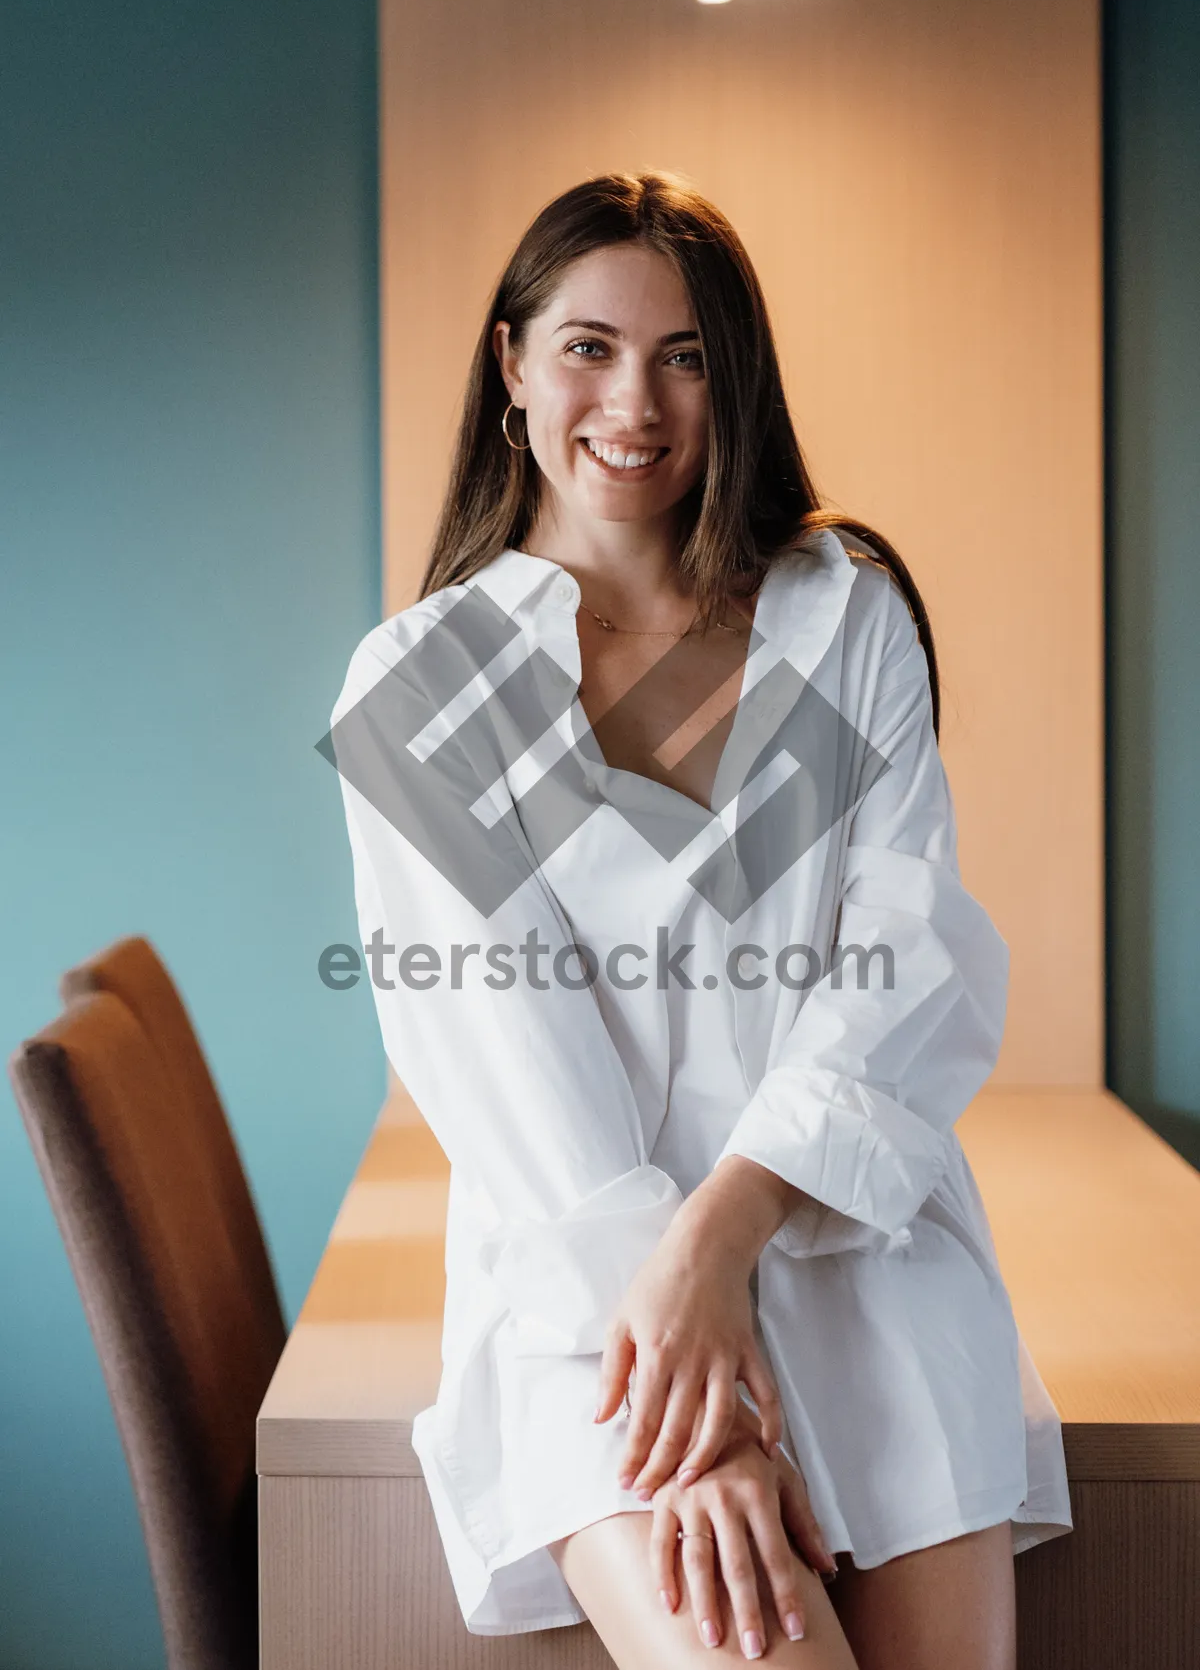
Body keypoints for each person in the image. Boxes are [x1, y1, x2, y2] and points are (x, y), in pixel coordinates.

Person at [327, 171, 1072, 1669]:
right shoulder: (421, 689)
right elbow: (517, 1079)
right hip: (597, 1310)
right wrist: (692, 1383)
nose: (638, 403)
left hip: (851, 1250)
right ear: (513, 367)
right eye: (590, 347)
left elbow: (909, 953)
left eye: (686, 356)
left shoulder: (838, 613)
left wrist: (729, 1229)